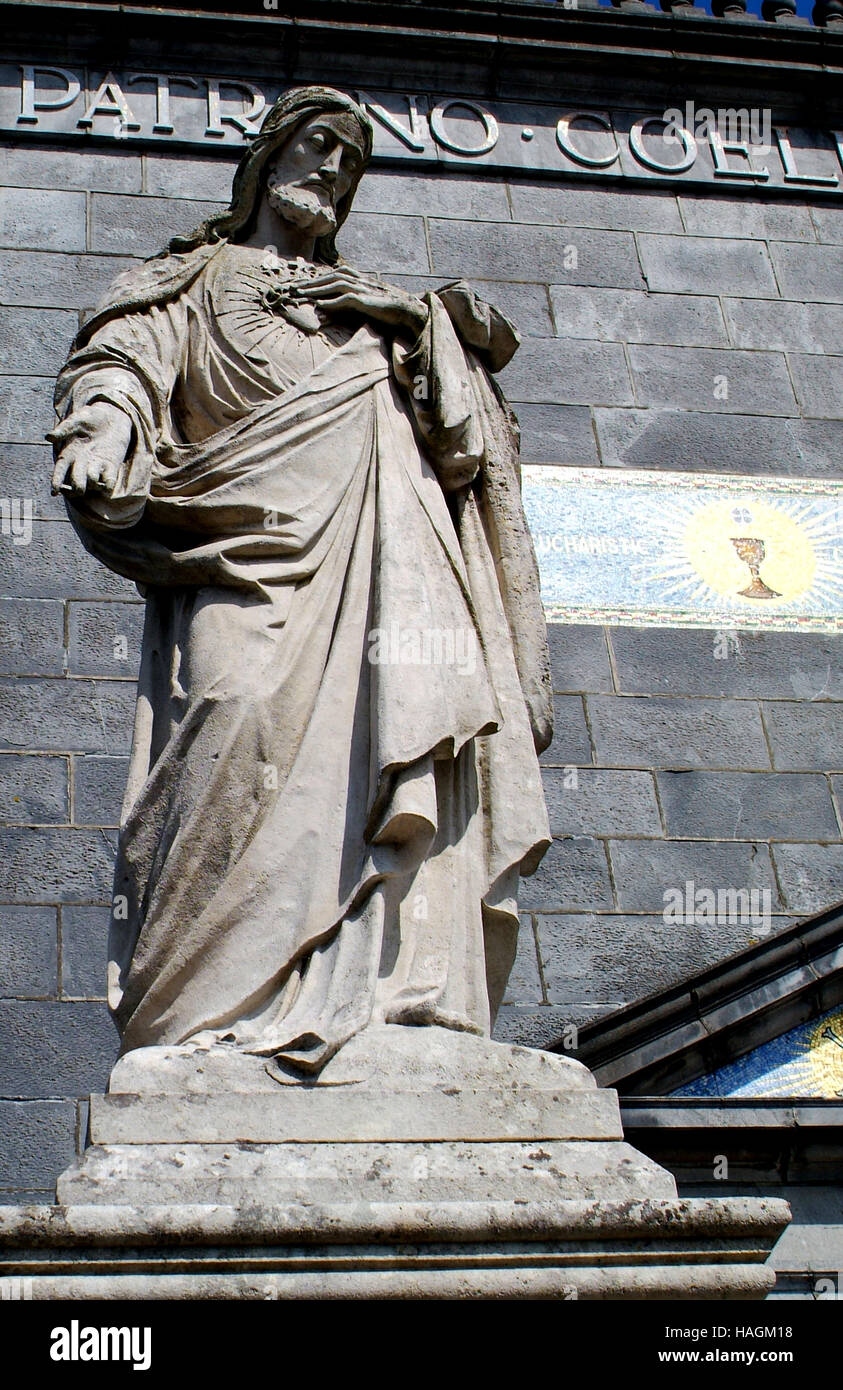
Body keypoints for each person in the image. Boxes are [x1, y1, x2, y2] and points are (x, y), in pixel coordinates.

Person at [49, 85, 552, 1075]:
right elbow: (127, 361)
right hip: (240, 547)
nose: (334, 170)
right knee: (230, 710)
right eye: (320, 145)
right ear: (272, 155)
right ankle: (197, 1012)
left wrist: (407, 319)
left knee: (399, 752)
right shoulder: (191, 277)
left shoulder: (371, 315)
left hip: (389, 570)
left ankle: (389, 998)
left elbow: (460, 450)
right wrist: (105, 428)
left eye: (354, 161)